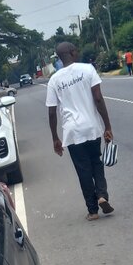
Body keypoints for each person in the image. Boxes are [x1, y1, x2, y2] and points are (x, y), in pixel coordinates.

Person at [46, 42, 115, 222]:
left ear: (59, 58)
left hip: (72, 133)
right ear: (72, 52)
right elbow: (98, 98)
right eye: (76, 50)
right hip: (91, 127)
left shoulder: (54, 80)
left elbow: (52, 112)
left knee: (83, 170)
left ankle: (92, 211)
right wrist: (107, 126)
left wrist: (55, 138)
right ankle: (102, 195)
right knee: (96, 162)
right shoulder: (88, 69)